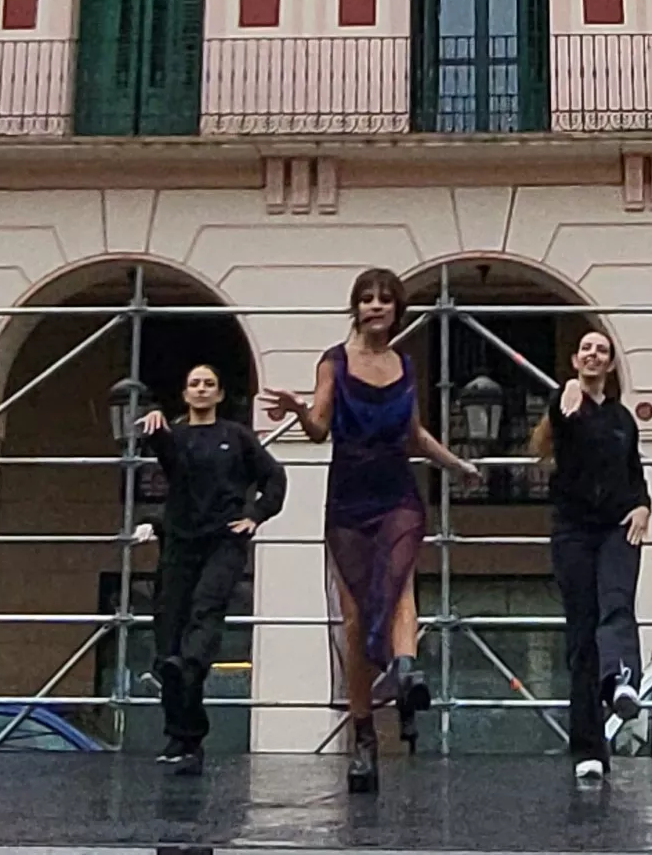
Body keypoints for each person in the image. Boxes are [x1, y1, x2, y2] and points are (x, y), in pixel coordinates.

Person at [262, 268, 479, 794]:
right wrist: (298, 409)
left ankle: (406, 671)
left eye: (385, 299)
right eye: (367, 299)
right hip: (349, 498)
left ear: (397, 309)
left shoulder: (405, 364)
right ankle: (364, 737)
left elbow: (415, 434)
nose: (376, 306)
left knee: (401, 581)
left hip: (398, 493)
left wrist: (457, 466)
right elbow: (319, 429)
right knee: (356, 619)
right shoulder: (334, 361)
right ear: (356, 308)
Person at [139, 362, 287, 776]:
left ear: (220, 393)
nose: (201, 389)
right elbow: (173, 468)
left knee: (204, 613)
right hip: (180, 543)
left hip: (223, 541)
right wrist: (156, 429)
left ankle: (188, 672)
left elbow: (274, 477)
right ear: (185, 394)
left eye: (209, 383)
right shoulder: (176, 435)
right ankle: (182, 737)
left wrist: (255, 515)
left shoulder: (237, 436)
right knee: (168, 638)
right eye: (194, 384)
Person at [535, 329, 649, 784]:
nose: (594, 354)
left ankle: (622, 680)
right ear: (575, 359)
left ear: (611, 364)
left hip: (618, 525)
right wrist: (567, 389)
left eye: (602, 350)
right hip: (574, 530)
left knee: (617, 602)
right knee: (581, 636)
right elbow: (559, 418)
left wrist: (644, 505)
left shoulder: (623, 419)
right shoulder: (566, 405)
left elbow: (634, 472)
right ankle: (588, 748)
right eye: (586, 349)